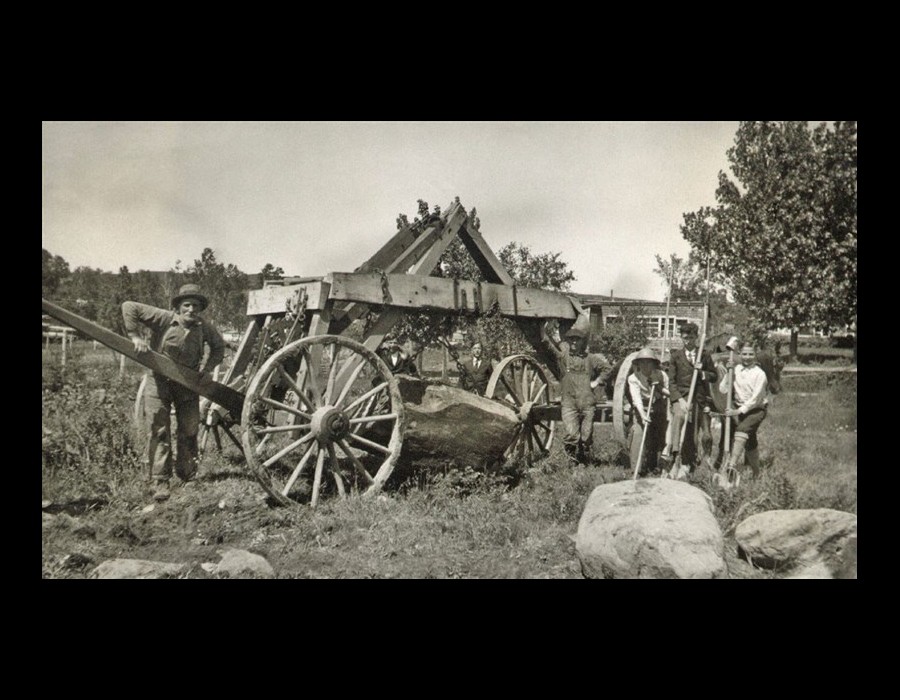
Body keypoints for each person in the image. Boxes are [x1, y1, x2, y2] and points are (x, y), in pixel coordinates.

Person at [123, 284, 225, 502]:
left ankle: (188, 476)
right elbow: (129, 306)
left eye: (195, 305)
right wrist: (135, 336)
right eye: (186, 305)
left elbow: (218, 348)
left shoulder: (204, 327)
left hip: (187, 385)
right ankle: (160, 480)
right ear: (178, 307)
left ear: (200, 309)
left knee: (189, 429)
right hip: (158, 382)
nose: (191, 309)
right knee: (159, 430)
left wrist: (207, 370)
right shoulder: (164, 318)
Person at [542, 314, 613, 465]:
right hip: (569, 403)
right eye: (571, 339)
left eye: (577, 339)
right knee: (571, 434)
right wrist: (543, 334)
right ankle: (571, 463)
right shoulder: (563, 357)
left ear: (583, 341)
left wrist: (597, 381)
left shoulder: (591, 359)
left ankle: (585, 461)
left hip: (587, 403)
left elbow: (607, 369)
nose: (574, 342)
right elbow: (549, 347)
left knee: (586, 436)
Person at [663, 322, 717, 479]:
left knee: (705, 434)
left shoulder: (704, 355)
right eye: (685, 338)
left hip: (700, 399)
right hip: (682, 399)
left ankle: (705, 460)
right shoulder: (675, 357)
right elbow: (671, 383)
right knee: (680, 419)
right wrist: (680, 400)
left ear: (697, 337)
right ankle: (676, 457)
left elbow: (714, 376)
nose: (688, 341)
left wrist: (702, 373)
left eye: (691, 338)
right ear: (681, 338)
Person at [718, 342, 768, 484]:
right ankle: (757, 473)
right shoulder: (736, 369)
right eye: (744, 354)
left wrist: (737, 411)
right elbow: (723, 389)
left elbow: (756, 399)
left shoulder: (760, 374)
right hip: (740, 408)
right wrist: (728, 373)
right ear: (739, 354)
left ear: (755, 355)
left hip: (756, 410)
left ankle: (731, 467)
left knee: (741, 431)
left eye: (750, 354)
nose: (747, 357)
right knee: (750, 440)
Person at [627, 347, 670, 477]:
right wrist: (643, 415)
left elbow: (669, 394)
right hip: (642, 407)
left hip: (658, 405)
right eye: (642, 362)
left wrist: (658, 387)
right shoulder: (633, 378)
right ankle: (637, 469)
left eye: (649, 362)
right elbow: (637, 400)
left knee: (658, 436)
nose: (646, 366)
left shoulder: (661, 375)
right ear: (638, 364)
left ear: (654, 364)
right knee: (639, 433)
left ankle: (656, 466)